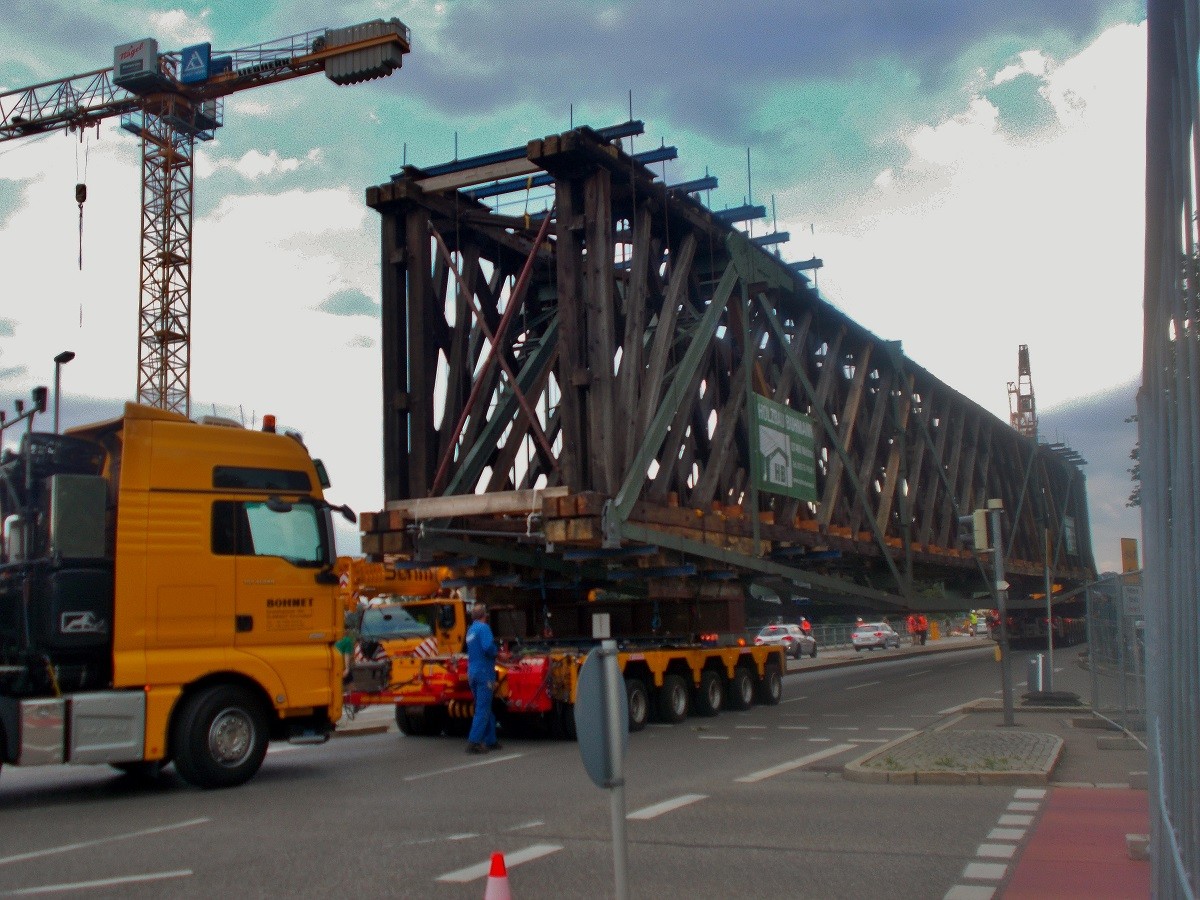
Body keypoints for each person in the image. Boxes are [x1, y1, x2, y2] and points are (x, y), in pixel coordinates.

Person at [465, 602, 500, 754]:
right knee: (483, 709)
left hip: (472, 672)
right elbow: (488, 648)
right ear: (485, 616)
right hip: (484, 673)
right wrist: (497, 652)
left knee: (484, 707)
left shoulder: (470, 630)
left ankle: (491, 740)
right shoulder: (484, 628)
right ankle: (474, 742)